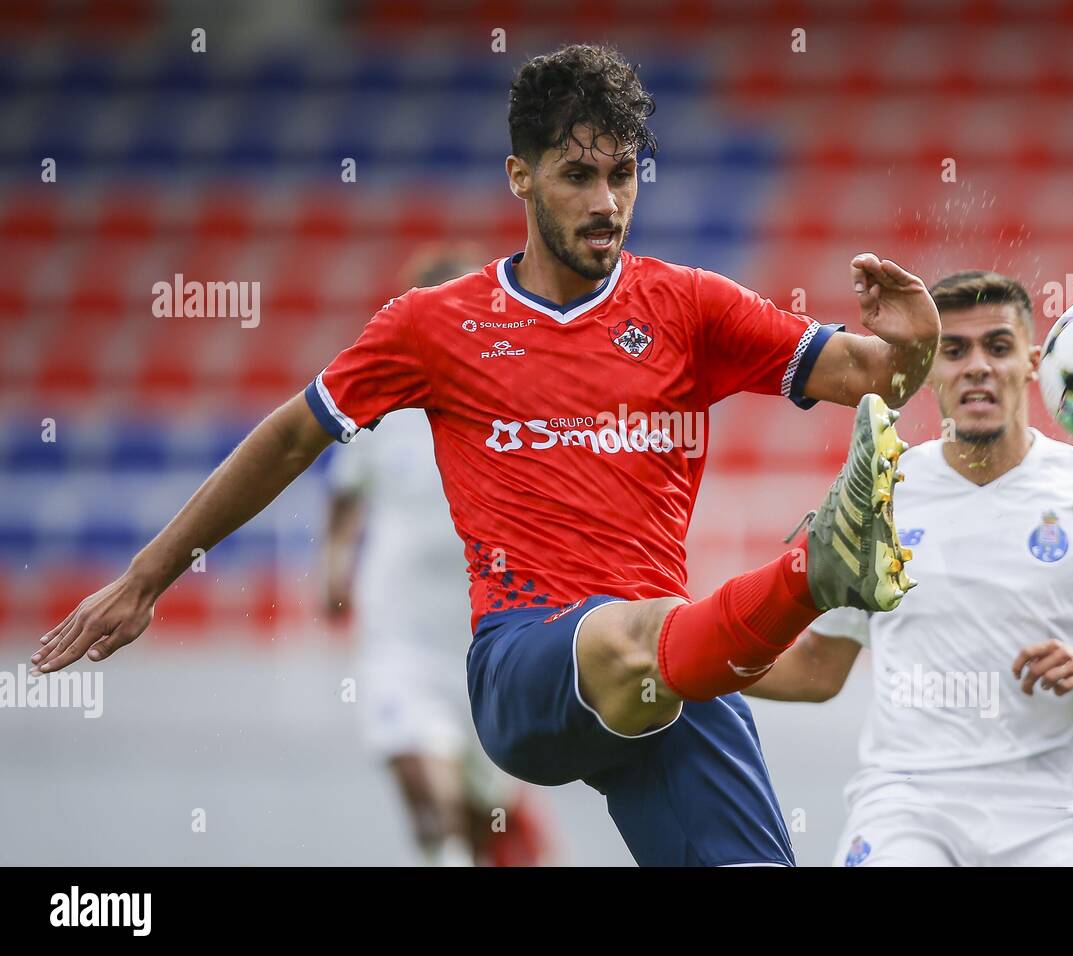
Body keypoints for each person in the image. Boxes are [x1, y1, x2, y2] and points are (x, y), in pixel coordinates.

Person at [33, 44, 939, 867]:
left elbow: (880, 380)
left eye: (623, 174)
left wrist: (919, 341)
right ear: (521, 176)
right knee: (640, 632)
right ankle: (814, 570)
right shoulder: (436, 325)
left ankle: (814, 571)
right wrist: (148, 577)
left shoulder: (691, 307)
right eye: (578, 175)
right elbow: (290, 434)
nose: (606, 202)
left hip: (671, 665)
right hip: (525, 661)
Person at [747, 270, 1073, 866]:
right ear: (929, 369)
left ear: (1031, 364)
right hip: (908, 806)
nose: (977, 365)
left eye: (997, 347)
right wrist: (689, 663)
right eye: (954, 350)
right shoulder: (879, 491)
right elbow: (819, 671)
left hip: (1052, 813)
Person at [323, 248, 551, 866]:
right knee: (428, 795)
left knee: (491, 816)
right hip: (400, 635)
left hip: (485, 639)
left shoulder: (523, 396)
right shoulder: (381, 403)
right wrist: (334, 567)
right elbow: (346, 493)